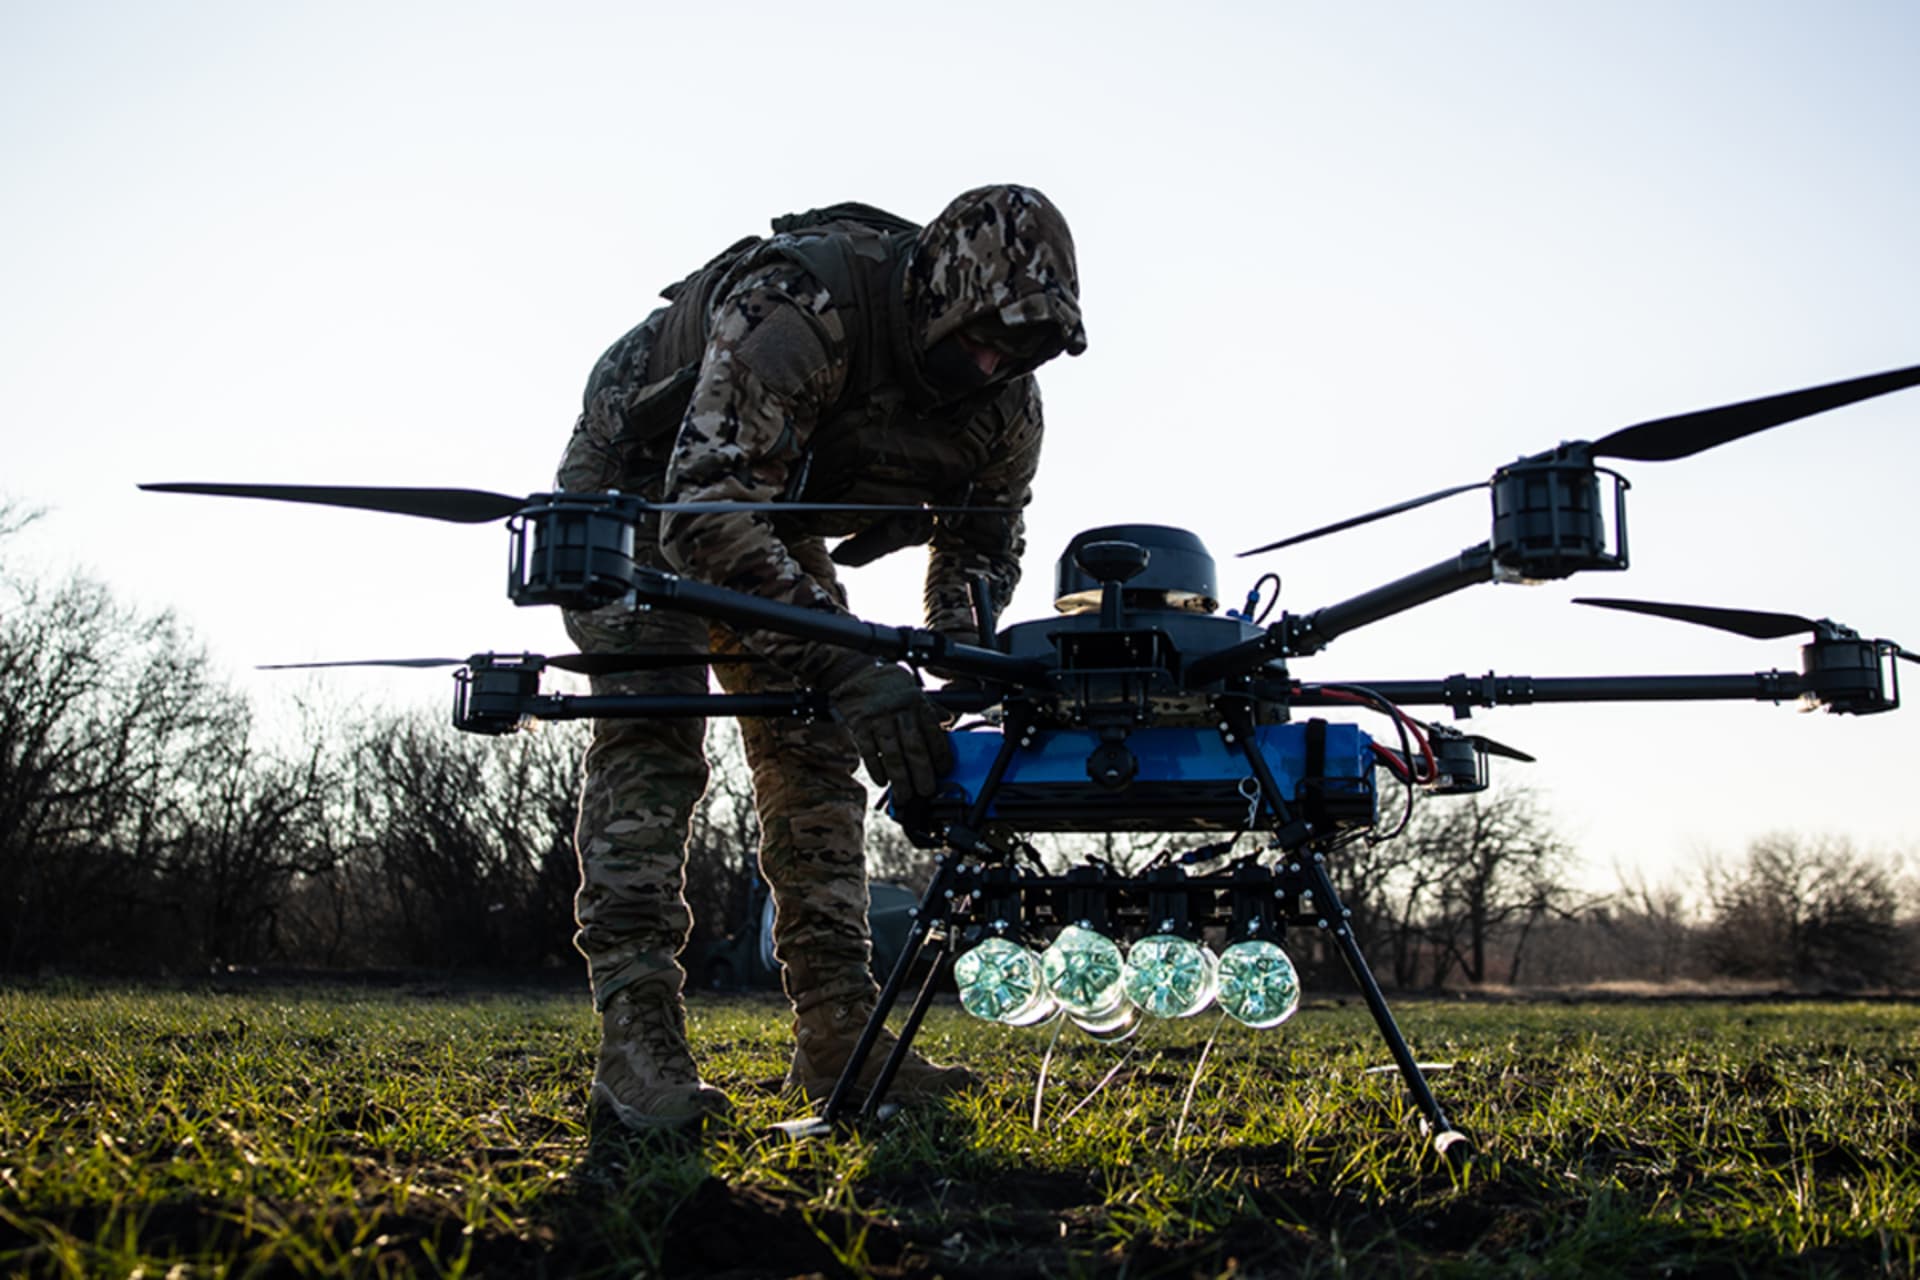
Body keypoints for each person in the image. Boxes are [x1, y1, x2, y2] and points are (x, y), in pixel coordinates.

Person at [553, 185, 1086, 1130]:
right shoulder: (800, 308)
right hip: (646, 493)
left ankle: (840, 1032)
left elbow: (981, 540)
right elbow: (703, 510)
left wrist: (958, 649)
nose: (996, 362)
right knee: (655, 734)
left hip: (771, 503)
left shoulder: (1007, 407)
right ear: (938, 297)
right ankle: (636, 1041)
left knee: (813, 755)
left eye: (1024, 349)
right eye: (982, 337)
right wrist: (851, 668)